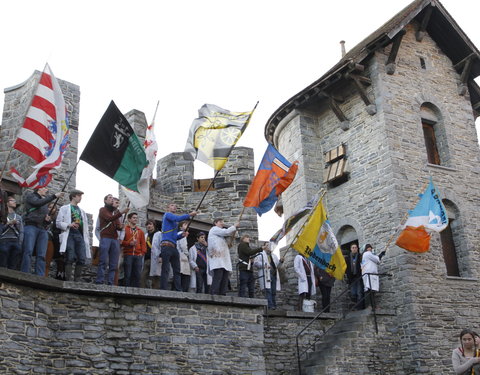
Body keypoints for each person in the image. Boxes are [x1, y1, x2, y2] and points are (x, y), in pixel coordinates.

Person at [21, 187, 62, 276]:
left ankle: (40, 275)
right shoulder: (31, 196)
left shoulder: (44, 202)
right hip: (31, 226)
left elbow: (46, 219)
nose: (46, 190)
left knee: (42, 254)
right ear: (39, 189)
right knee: (28, 250)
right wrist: (54, 196)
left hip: (42, 229)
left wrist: (47, 220)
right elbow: (37, 203)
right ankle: (25, 273)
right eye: (44, 189)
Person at [160, 203, 197, 291]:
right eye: (172, 205)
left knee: (177, 270)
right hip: (166, 245)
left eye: (175, 205)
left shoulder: (174, 223)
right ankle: (163, 289)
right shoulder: (167, 215)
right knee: (165, 269)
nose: (175, 206)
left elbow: (175, 237)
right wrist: (189, 215)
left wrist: (182, 235)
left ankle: (178, 289)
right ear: (168, 207)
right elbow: (177, 218)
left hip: (173, 247)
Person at [56, 189, 90, 281]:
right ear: (73, 196)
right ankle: (68, 280)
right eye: (79, 196)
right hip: (69, 234)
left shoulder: (82, 211)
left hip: (80, 235)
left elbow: (85, 226)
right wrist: (69, 225)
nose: (80, 198)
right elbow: (58, 223)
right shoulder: (64, 208)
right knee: (70, 257)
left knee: (82, 258)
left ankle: (77, 280)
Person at [95, 194, 129, 285]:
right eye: (110, 198)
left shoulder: (114, 213)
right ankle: (99, 281)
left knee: (113, 263)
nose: (112, 199)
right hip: (106, 238)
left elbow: (117, 226)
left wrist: (120, 227)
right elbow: (109, 219)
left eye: (112, 198)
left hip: (114, 239)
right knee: (103, 261)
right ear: (105, 201)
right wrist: (121, 212)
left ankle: (111, 282)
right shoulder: (102, 210)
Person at [208, 218, 238, 296]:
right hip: (217, 259)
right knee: (218, 276)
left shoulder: (221, 236)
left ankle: (222, 293)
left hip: (223, 259)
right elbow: (226, 232)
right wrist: (234, 226)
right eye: (220, 222)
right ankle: (214, 293)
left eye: (223, 222)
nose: (222, 223)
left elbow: (231, 234)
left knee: (224, 277)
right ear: (215, 223)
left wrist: (228, 244)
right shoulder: (214, 229)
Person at [121, 212, 146, 288]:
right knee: (127, 274)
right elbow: (121, 242)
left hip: (138, 255)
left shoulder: (140, 231)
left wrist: (142, 253)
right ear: (129, 219)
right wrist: (129, 243)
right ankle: (126, 290)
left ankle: (135, 291)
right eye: (134, 218)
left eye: (136, 218)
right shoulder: (125, 229)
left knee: (137, 274)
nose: (136, 219)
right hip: (128, 254)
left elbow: (143, 243)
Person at [254, 242, 282, 309]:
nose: (269, 246)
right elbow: (256, 263)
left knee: (273, 291)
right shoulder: (260, 254)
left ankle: (274, 305)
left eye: (269, 245)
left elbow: (278, 266)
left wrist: (281, 261)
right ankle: (270, 306)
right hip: (266, 274)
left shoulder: (274, 256)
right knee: (268, 290)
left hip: (273, 274)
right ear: (264, 246)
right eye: (267, 245)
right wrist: (265, 265)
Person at [0, 196, 23, 270]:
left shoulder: (18, 217)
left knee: (13, 263)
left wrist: (20, 242)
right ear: (7, 203)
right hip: (4, 240)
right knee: (3, 261)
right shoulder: (2, 216)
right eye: (12, 200)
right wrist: (8, 223)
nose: (15, 202)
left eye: (15, 201)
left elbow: (21, 231)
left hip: (15, 241)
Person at [360, 243, 385, 308]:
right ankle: (369, 306)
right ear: (366, 249)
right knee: (369, 290)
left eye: (370, 247)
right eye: (368, 247)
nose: (370, 249)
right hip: (369, 274)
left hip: (369, 274)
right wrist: (381, 255)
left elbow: (375, 260)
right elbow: (377, 260)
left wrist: (379, 256)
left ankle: (372, 306)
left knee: (370, 290)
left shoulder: (365, 255)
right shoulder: (367, 253)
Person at [345, 243, 364, 309]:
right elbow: (346, 267)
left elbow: (363, 264)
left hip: (358, 276)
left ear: (357, 248)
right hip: (351, 277)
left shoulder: (360, 256)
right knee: (353, 292)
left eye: (355, 247)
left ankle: (360, 307)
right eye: (353, 247)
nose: (354, 249)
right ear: (351, 249)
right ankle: (355, 307)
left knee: (359, 292)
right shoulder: (347, 257)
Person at [140, 219, 156, 288]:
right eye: (147, 224)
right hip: (146, 259)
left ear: (154, 225)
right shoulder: (145, 235)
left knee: (155, 278)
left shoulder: (158, 234)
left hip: (155, 259)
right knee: (143, 277)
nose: (149, 226)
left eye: (150, 224)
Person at [177, 221, 191, 292]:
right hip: (182, 257)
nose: (187, 225)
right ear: (180, 227)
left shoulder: (178, 234)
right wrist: (188, 254)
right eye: (185, 224)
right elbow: (183, 246)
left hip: (179, 256)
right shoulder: (181, 234)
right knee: (184, 275)